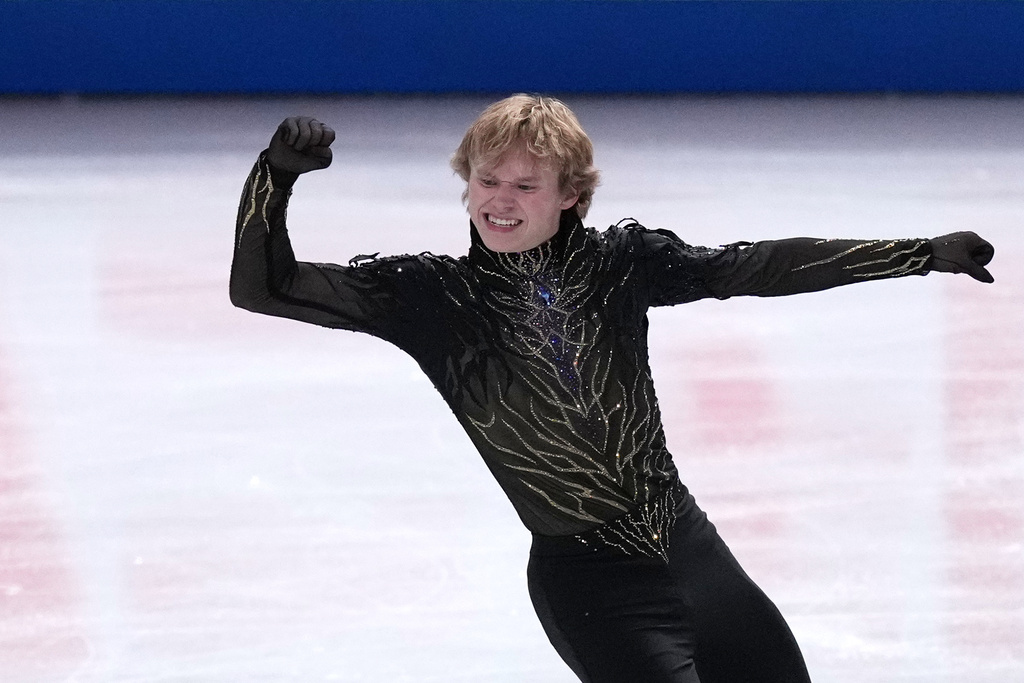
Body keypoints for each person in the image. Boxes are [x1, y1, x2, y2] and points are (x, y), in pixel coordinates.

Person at [230, 95, 995, 683]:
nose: (500, 198)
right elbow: (264, 288)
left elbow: (755, 266)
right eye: (486, 179)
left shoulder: (622, 262)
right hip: (592, 581)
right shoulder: (430, 298)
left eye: (526, 183)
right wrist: (277, 177)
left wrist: (920, 253)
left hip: (689, 546)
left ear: (570, 194)